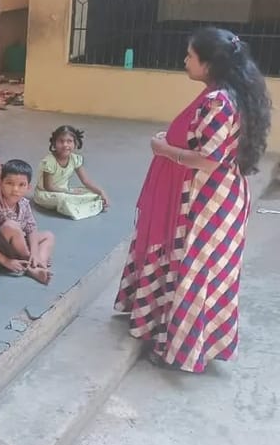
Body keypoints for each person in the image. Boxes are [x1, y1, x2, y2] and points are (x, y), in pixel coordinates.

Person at [115, 28, 270, 372]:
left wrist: (164, 150)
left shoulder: (218, 102)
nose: (185, 60)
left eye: (190, 55)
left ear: (209, 63)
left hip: (209, 198)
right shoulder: (235, 95)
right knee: (208, 272)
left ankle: (181, 352)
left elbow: (209, 158)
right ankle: (185, 339)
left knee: (195, 272)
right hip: (223, 194)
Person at [0, 159, 56, 285]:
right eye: (9, 183)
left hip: (15, 244)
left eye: (21, 185)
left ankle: (37, 262)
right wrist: (7, 261)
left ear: (28, 187)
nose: (15, 189)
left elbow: (31, 228)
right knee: (11, 226)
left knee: (48, 236)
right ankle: (32, 266)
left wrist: (34, 252)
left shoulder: (23, 203)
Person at [33, 125, 109, 220]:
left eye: (69, 141)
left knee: (92, 193)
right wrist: (69, 192)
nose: (65, 145)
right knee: (63, 199)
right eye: (61, 141)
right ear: (54, 143)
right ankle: (79, 207)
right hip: (46, 194)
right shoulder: (49, 161)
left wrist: (101, 192)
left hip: (64, 191)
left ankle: (79, 205)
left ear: (75, 143)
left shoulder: (75, 159)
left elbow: (86, 181)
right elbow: (48, 187)